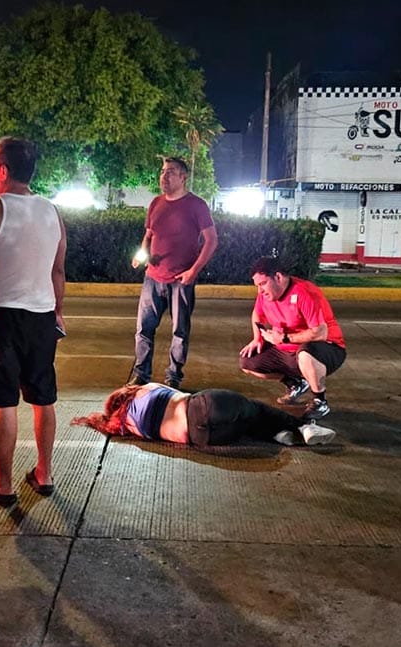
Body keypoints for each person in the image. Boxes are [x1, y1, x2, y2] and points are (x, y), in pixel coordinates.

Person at [0, 136, 67, 506]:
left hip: (4, 316)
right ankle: (44, 473)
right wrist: (57, 313)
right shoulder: (52, 211)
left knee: (4, 402)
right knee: (44, 398)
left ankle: (2, 484)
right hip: (42, 316)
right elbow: (58, 272)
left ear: (3, 170)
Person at [129, 157, 217, 389]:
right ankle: (141, 374)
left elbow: (211, 241)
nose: (164, 177)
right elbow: (149, 235)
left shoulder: (196, 205)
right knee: (144, 329)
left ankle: (173, 377)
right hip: (153, 277)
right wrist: (141, 255)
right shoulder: (156, 203)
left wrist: (193, 271)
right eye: (163, 171)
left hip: (181, 280)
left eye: (171, 172)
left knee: (179, 331)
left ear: (183, 177)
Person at [239, 256, 347, 420]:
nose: (260, 291)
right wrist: (257, 339)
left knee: (305, 354)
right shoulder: (265, 295)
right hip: (289, 352)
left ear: (278, 277)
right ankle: (295, 383)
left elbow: (320, 333)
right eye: (257, 286)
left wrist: (284, 338)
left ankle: (320, 401)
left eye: (262, 284)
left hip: (326, 348)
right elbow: (257, 314)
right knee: (247, 361)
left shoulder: (305, 292)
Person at [71, 382, 336, 447]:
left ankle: (277, 435)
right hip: (202, 405)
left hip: (201, 437)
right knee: (254, 408)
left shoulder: (127, 427)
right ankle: (303, 426)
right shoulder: (146, 389)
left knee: (245, 426)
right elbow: (177, 392)